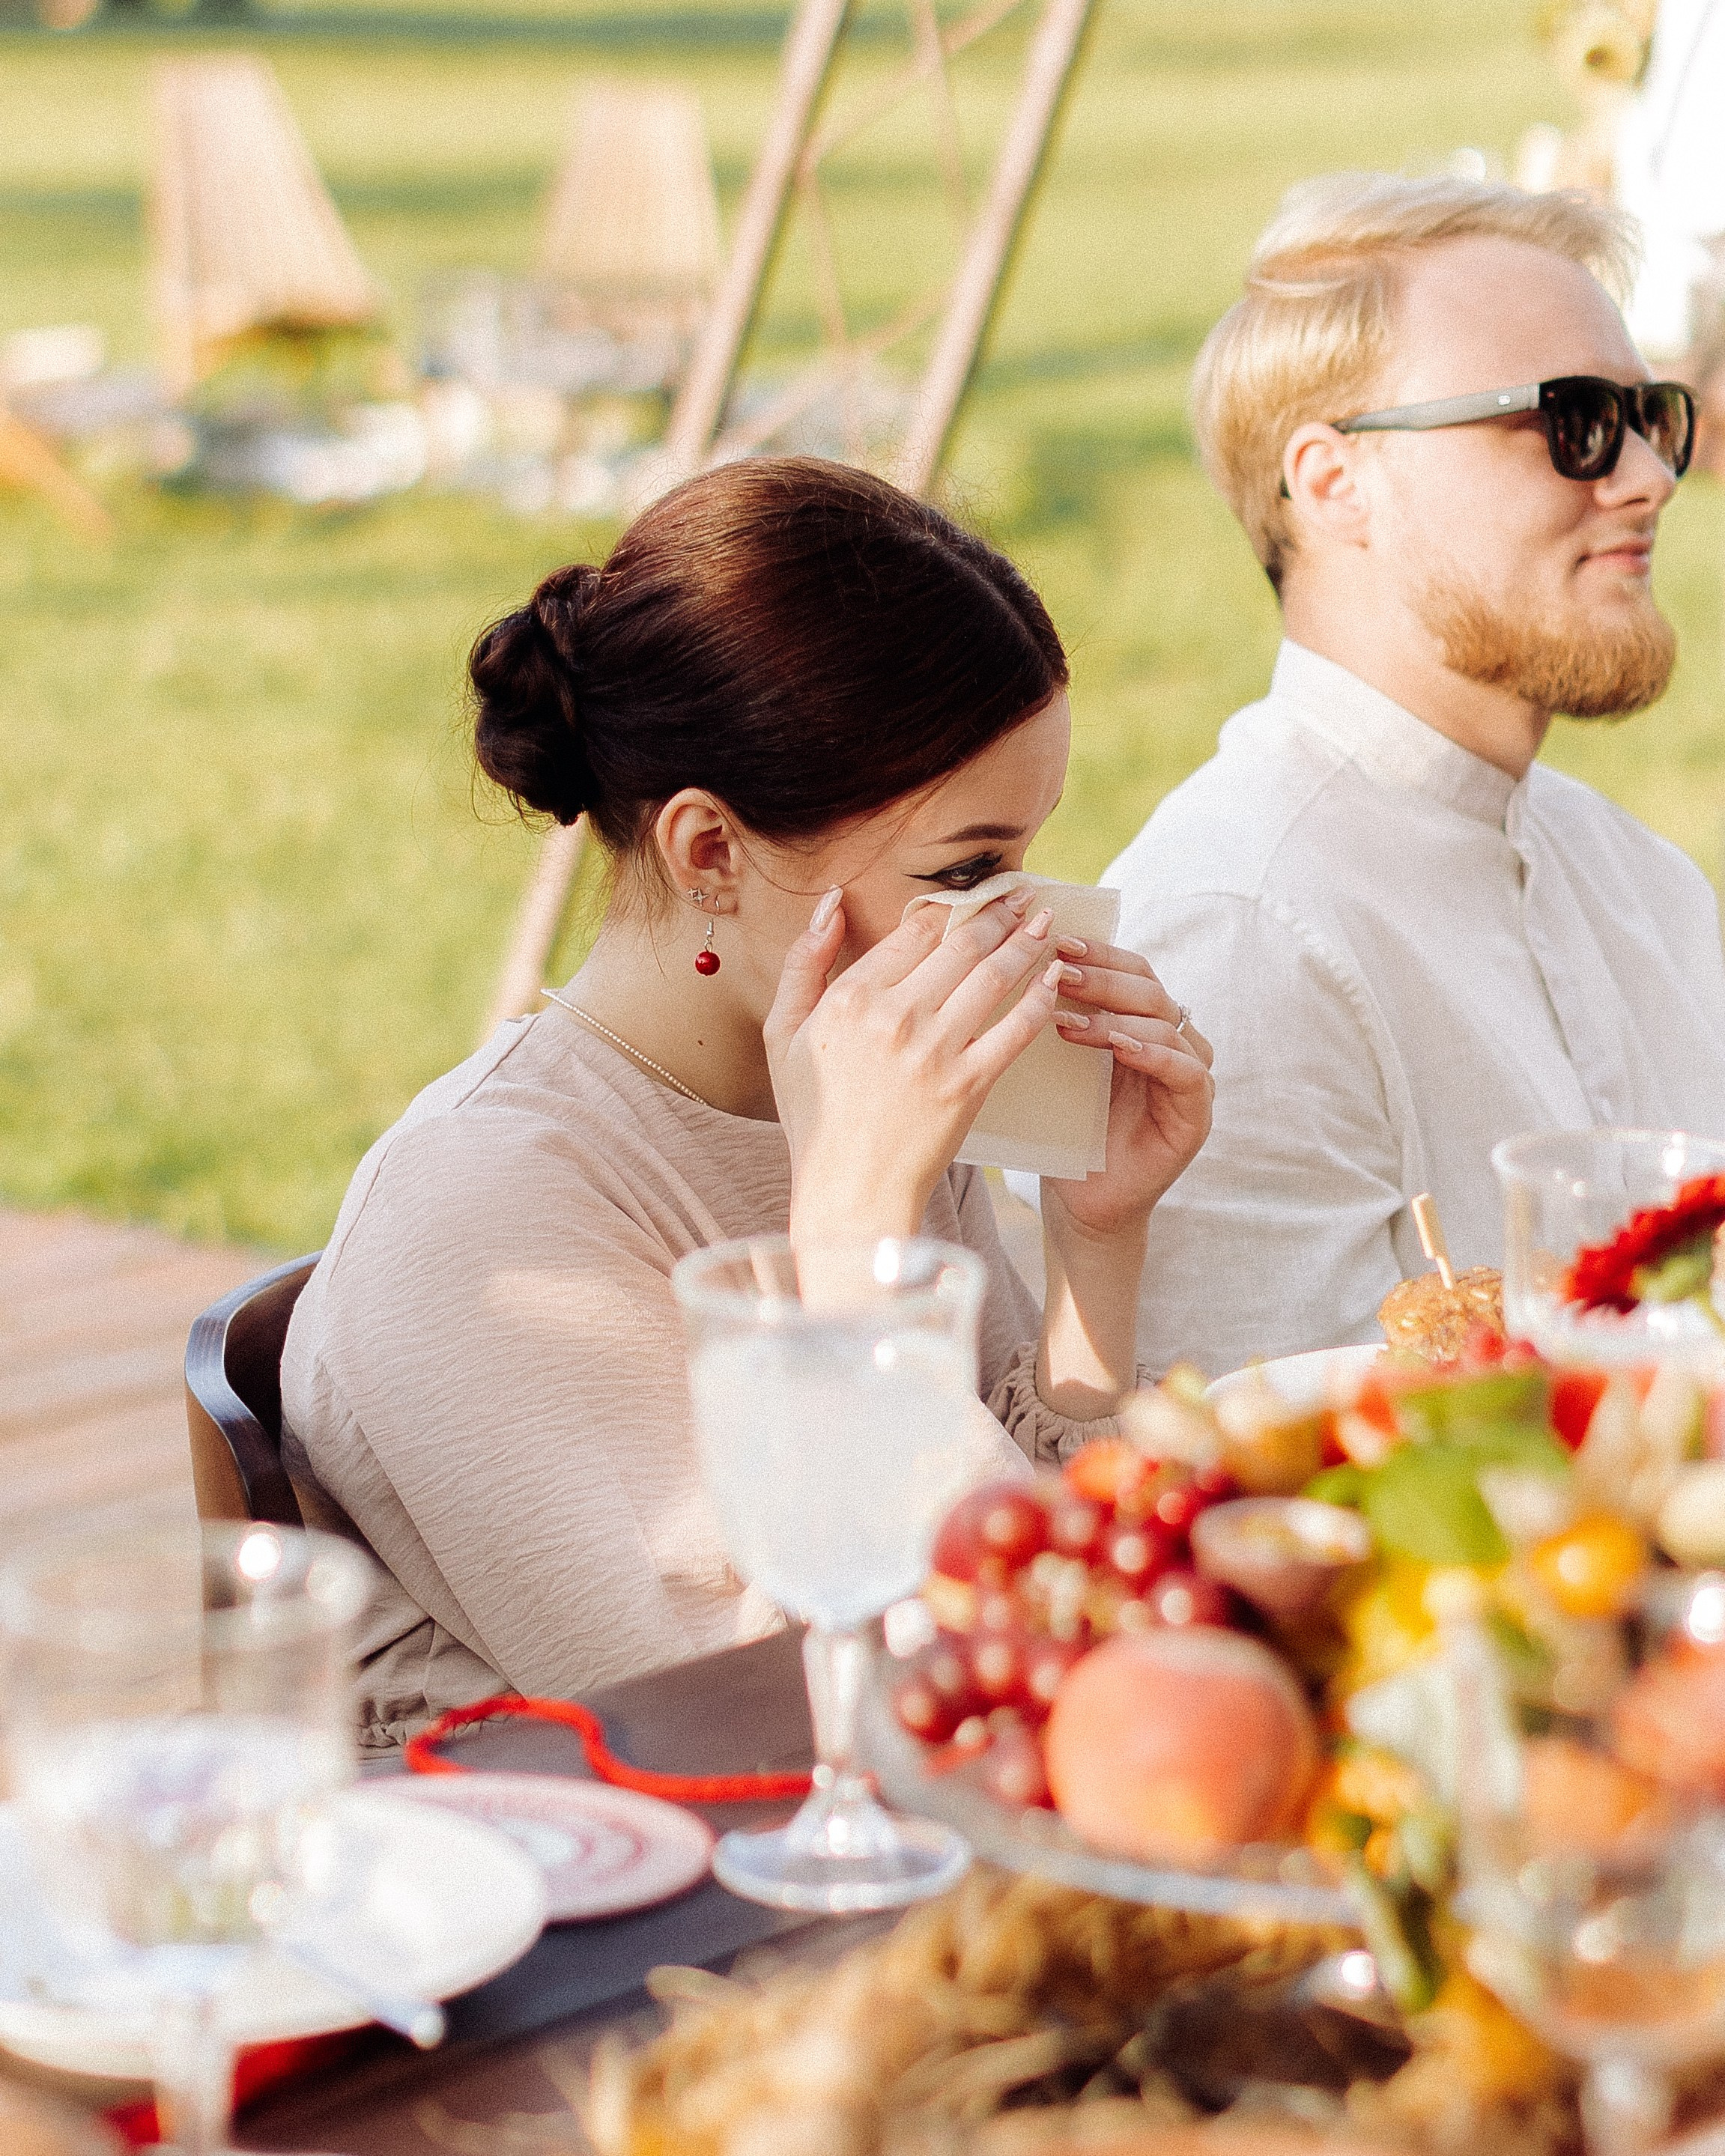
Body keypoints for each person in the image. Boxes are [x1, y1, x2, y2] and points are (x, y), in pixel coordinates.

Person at [282, 457, 1213, 1746]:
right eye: (967, 871)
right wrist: (847, 1247)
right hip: (622, 1906)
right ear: (710, 851)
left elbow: (1063, 1585)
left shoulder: (852, 1076)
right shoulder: (473, 1222)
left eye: (1026, 856)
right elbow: (782, 1715)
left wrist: (1095, 1242)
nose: (1014, 926)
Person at [1100, 170, 1725, 1381]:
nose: (1647, 475)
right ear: (1337, 484)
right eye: (1572, 421)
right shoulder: (1239, 937)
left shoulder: (1643, 879)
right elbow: (1280, 1505)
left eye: (1651, 415)